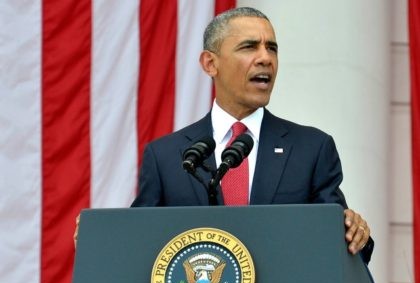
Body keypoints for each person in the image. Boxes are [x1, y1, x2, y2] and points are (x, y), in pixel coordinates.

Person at [108, 7, 374, 262]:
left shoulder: (312, 149)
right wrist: (99, 235)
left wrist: (356, 232)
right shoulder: (166, 156)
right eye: (249, 47)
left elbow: (341, 246)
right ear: (210, 63)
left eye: (272, 48)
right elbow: (137, 245)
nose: (265, 58)